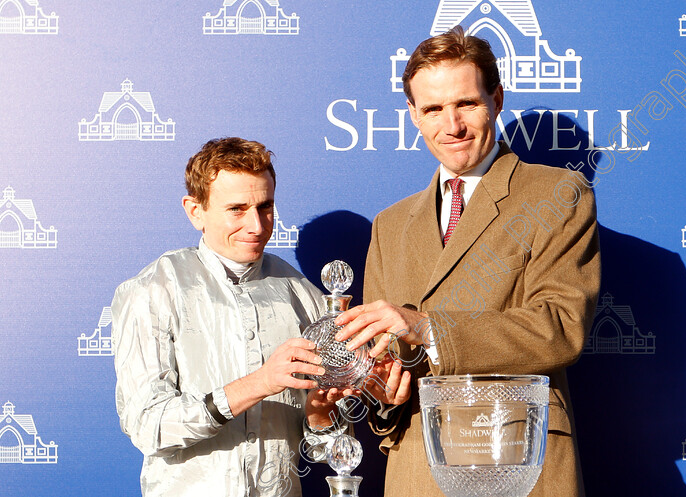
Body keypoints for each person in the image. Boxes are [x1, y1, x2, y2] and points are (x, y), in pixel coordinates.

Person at [335, 26, 601, 497]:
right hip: (420, 468)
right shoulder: (390, 224)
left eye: (467, 104)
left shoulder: (556, 194)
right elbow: (383, 362)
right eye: (434, 109)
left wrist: (427, 329)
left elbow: (559, 327)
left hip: (518, 459)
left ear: (496, 100)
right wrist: (381, 393)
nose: (451, 125)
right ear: (413, 115)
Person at [112, 137, 352, 497]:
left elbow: (329, 452)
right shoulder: (153, 290)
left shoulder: (305, 296)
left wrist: (320, 417)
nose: (256, 225)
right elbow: (148, 425)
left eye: (265, 206)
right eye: (237, 209)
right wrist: (258, 383)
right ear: (195, 211)